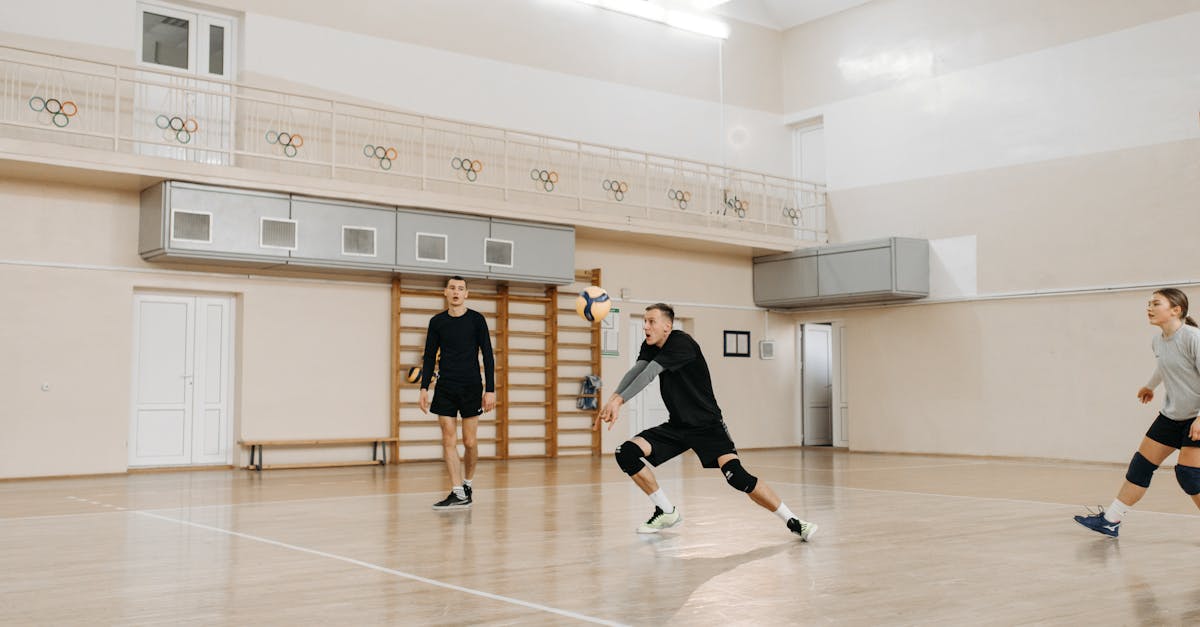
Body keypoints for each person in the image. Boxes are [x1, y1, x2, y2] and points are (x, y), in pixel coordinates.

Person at [595, 302, 817, 540]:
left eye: (651, 321)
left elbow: (649, 375)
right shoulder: (650, 346)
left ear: (667, 326)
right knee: (625, 452)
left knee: (737, 477)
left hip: (708, 426)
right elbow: (637, 371)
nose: (645, 326)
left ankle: (795, 521)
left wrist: (618, 402)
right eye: (644, 321)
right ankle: (666, 511)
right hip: (678, 425)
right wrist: (613, 399)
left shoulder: (681, 343)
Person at [1075, 288, 1200, 537]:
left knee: (1189, 475)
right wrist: (1150, 386)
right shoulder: (1158, 340)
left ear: (1176, 310)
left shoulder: (1192, 337)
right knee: (1141, 466)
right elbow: (1165, 365)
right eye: (1149, 303)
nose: (1149, 308)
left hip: (1196, 417)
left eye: (1156, 303)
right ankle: (1111, 520)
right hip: (1172, 415)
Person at [420, 275, 496, 510]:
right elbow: (430, 356)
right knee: (448, 439)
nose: (456, 292)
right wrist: (424, 387)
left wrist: (490, 389)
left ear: (466, 294)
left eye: (460, 289)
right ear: (445, 292)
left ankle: (467, 483)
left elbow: (488, 355)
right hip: (445, 387)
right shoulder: (437, 322)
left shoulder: (476, 320)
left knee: (469, 441)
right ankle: (457, 492)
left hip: (471, 386)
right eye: (452, 288)